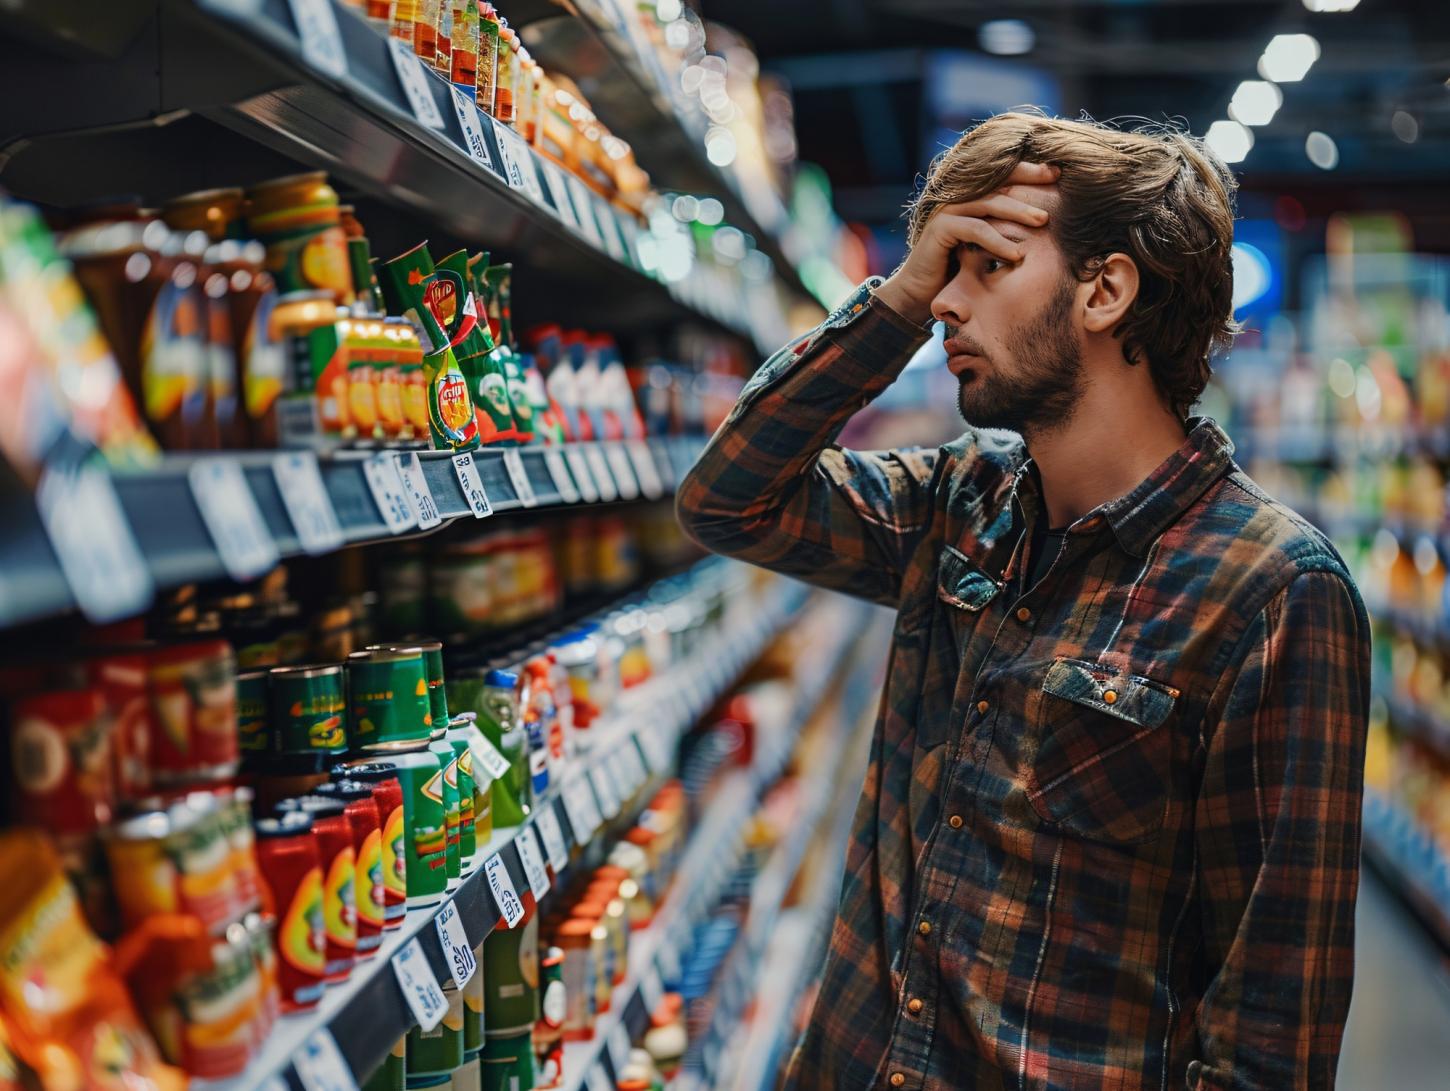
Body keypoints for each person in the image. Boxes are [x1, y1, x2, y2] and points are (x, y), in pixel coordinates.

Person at [675, 112, 1371, 1090]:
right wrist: (895, 299)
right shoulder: (956, 505)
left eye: (983, 264)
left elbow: (1270, 1041)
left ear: (1105, 289)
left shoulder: (1270, 591)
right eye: (940, 270)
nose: (944, 306)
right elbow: (727, 498)